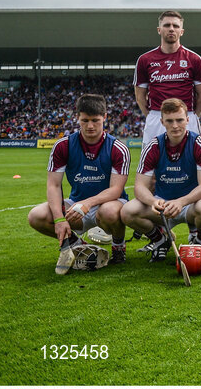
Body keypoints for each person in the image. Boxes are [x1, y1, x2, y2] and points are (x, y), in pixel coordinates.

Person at [29, 94, 131, 272]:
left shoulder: (117, 148)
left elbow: (116, 189)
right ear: (77, 117)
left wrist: (87, 203)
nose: (90, 126)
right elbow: (53, 185)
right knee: (36, 216)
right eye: (85, 120)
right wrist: (59, 219)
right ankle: (80, 246)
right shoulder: (63, 145)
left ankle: (119, 248)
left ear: (105, 117)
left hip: (108, 205)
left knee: (108, 211)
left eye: (95, 120)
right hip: (75, 206)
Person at [122, 98, 201, 261]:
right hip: (162, 205)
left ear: (187, 120)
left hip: (189, 205)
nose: (175, 125)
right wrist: (153, 202)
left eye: (179, 120)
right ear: (162, 121)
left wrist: (181, 202)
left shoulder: (199, 144)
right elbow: (140, 186)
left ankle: (199, 242)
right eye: (169, 121)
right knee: (128, 211)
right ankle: (160, 240)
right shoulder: (153, 146)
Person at [134, 10, 201, 147]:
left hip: (187, 117)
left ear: (182, 31)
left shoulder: (195, 59)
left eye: (175, 26)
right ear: (159, 29)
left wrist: (190, 117)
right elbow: (140, 97)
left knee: (190, 162)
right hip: (157, 117)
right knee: (152, 164)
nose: (171, 29)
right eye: (167, 25)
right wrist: (154, 116)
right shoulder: (145, 60)